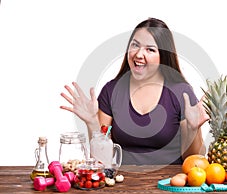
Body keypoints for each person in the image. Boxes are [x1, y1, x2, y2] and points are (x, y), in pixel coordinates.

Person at [60, 18, 209, 165]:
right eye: (135, 45)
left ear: (163, 56)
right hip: (123, 184)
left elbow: (194, 161)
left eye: (150, 49)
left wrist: (193, 129)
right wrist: (92, 122)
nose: (138, 54)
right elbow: (102, 160)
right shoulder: (111, 91)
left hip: (169, 184)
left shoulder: (181, 92)